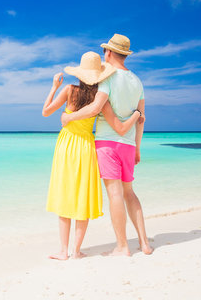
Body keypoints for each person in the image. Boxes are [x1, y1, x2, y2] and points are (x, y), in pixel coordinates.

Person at [42, 51, 144, 260]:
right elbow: (117, 124)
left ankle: (63, 251)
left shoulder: (69, 90)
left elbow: (46, 111)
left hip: (67, 145)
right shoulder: (100, 98)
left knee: (65, 195)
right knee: (82, 197)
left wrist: (54, 87)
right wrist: (135, 119)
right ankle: (77, 250)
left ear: (79, 73)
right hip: (88, 147)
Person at [61, 34, 153, 256]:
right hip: (129, 144)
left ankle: (122, 246)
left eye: (105, 52)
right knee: (129, 193)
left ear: (109, 53)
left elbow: (94, 108)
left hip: (108, 143)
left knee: (114, 194)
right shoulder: (137, 81)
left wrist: (69, 118)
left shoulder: (107, 79)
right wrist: (137, 147)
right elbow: (141, 118)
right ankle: (144, 243)